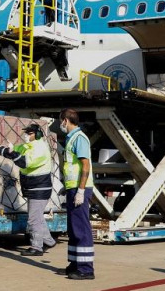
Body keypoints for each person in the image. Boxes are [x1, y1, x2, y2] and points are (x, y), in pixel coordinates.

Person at [0, 123, 56, 256]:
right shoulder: (28, 146)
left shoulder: (39, 149)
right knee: (38, 217)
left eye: (29, 134)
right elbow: (16, 150)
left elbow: (24, 162)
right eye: (26, 133)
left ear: (37, 135)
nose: (26, 136)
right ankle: (48, 241)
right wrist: (3, 150)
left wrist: (12, 154)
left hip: (40, 187)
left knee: (33, 219)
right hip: (33, 187)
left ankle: (37, 247)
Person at [57, 108, 95, 280]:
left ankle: (86, 269)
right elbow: (72, 167)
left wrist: (80, 190)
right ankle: (74, 263)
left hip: (81, 189)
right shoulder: (71, 138)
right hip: (73, 188)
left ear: (66, 120)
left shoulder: (79, 138)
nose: (60, 125)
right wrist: (68, 186)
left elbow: (85, 166)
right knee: (73, 229)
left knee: (81, 228)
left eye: (61, 121)